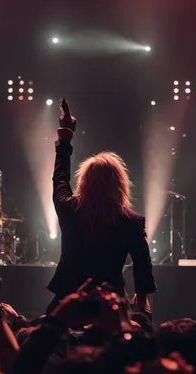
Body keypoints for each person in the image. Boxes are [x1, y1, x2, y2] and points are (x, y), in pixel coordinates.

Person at [48, 98, 156, 312]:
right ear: (120, 184)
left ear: (84, 181)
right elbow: (142, 264)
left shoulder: (69, 209)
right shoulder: (131, 221)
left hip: (68, 303)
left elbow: (60, 178)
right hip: (110, 306)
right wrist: (142, 301)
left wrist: (65, 139)